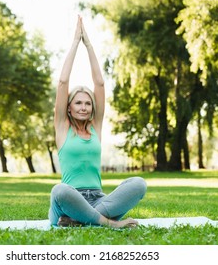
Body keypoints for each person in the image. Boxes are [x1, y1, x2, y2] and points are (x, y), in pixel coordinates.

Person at [48, 15, 147, 228]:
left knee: (138, 184)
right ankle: (108, 223)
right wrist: (76, 42)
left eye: (87, 103)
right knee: (59, 190)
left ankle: (80, 220)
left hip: (99, 200)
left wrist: (89, 44)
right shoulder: (62, 127)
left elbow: (99, 84)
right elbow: (63, 82)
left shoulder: (96, 128)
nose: (83, 107)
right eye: (78, 103)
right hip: (70, 200)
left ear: (92, 108)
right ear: (68, 107)